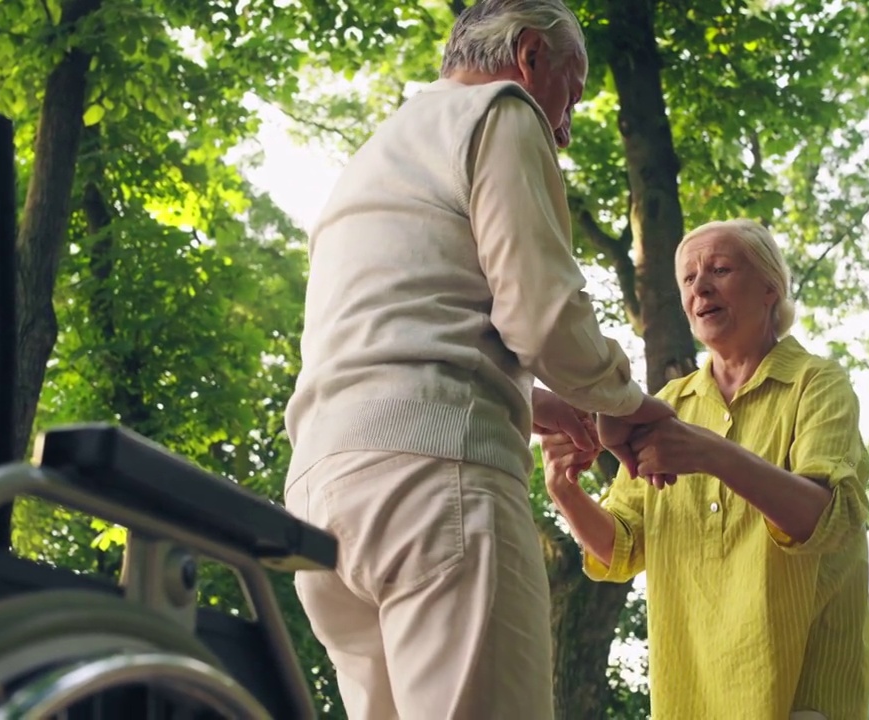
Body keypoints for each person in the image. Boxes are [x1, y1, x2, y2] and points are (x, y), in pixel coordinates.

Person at [281, 1, 673, 718]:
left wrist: (542, 406)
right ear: (530, 57)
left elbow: (407, 335)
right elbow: (543, 316)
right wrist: (628, 404)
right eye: (572, 93)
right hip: (433, 499)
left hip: (320, 508)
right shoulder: (501, 111)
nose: (565, 123)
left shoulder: (373, 161)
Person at [543, 218, 869, 720]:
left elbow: (827, 521)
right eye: (687, 278)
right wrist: (565, 491)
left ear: (771, 288)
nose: (700, 287)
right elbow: (621, 548)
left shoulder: (817, 383)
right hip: (690, 695)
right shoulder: (667, 405)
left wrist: (712, 454)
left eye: (719, 269)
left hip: (801, 696)